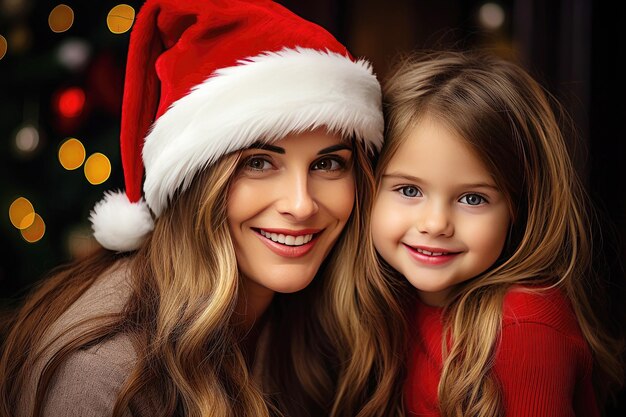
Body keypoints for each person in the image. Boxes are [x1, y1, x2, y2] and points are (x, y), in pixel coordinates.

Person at [0, 1, 406, 416]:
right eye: (259, 163)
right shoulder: (104, 376)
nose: (301, 205)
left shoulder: (319, 321)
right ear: (194, 179)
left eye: (327, 163)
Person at [369, 50, 624, 417]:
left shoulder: (521, 328)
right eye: (409, 190)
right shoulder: (391, 303)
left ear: (519, 207)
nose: (436, 223)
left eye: (473, 198)